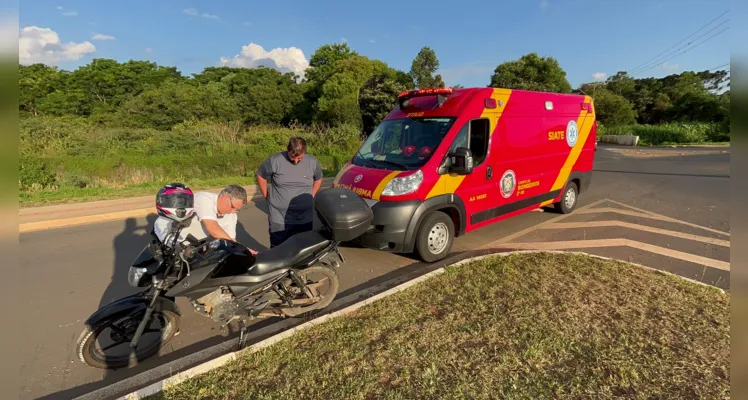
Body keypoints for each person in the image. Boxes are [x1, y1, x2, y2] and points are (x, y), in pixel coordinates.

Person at [256, 137, 324, 248]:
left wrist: (312, 194)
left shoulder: (312, 162)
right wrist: (266, 195)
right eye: (292, 157)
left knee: (302, 247)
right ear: (288, 150)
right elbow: (261, 175)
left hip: (303, 216)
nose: (295, 161)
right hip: (279, 216)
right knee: (278, 246)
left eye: (300, 158)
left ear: (305, 153)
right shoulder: (275, 160)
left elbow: (319, 178)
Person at [153, 184, 258, 255]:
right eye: (233, 207)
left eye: (237, 210)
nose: (233, 211)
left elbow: (230, 240)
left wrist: (244, 251)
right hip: (168, 235)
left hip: (191, 246)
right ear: (225, 198)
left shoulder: (232, 216)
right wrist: (242, 249)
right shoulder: (204, 199)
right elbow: (212, 228)